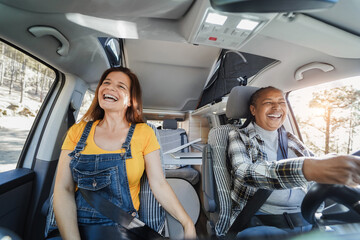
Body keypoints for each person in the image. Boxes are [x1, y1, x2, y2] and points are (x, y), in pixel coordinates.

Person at [50, 67, 196, 239]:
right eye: (106, 83)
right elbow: (63, 189)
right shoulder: (77, 131)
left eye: (121, 86)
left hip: (121, 228)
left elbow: (159, 184)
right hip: (73, 226)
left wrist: (187, 223)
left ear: (130, 101)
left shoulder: (145, 133)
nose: (110, 88)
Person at [227, 86, 360, 238]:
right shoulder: (239, 136)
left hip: (307, 217)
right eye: (268, 102)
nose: (277, 107)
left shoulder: (291, 138)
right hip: (262, 221)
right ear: (253, 110)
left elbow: (319, 163)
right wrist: (307, 168)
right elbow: (244, 172)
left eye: (282, 102)